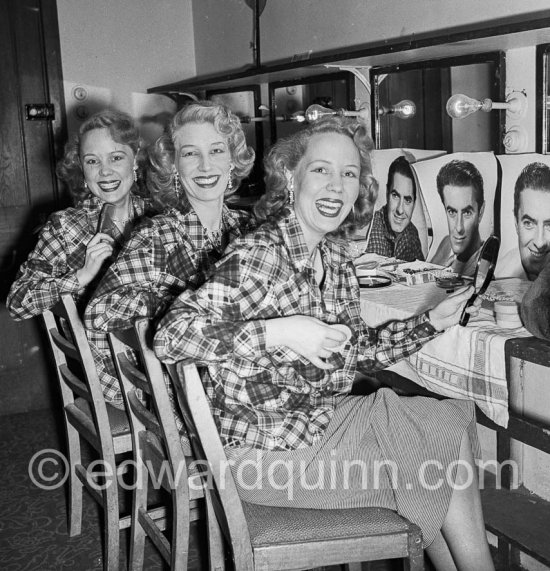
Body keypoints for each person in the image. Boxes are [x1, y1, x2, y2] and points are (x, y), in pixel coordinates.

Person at [154, 116, 494, 570]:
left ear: (359, 188)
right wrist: (280, 331)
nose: (335, 186)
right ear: (291, 178)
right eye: (321, 170)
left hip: (314, 425)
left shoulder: (333, 255)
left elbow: (356, 352)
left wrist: (430, 321)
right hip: (265, 456)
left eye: (348, 174)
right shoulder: (260, 254)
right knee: (437, 440)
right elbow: (171, 334)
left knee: (443, 420)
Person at [7, 109, 150, 407]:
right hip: (118, 376)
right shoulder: (66, 226)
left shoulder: (160, 217)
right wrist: (79, 277)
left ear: (135, 161)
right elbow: (17, 302)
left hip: (158, 356)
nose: (105, 171)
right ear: (82, 171)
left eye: (116, 158)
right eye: (92, 161)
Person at [84, 101, 255, 334]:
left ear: (232, 161)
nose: (205, 166)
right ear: (173, 166)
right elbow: (99, 313)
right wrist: (173, 306)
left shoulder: (248, 227)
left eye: (216, 150)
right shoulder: (156, 236)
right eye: (190, 153)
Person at [430, 160, 485, 277]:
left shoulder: (485, 264)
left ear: (480, 212)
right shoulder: (447, 243)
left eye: (467, 213)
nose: (459, 228)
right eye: (452, 212)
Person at [496, 162, 550, 281]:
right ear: (516, 223)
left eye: (549, 226)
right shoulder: (497, 278)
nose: (540, 243)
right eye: (529, 224)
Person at [365, 155, 424, 261]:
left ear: (414, 203)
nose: (400, 210)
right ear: (387, 193)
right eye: (395, 196)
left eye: (407, 200)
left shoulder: (411, 232)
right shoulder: (374, 227)